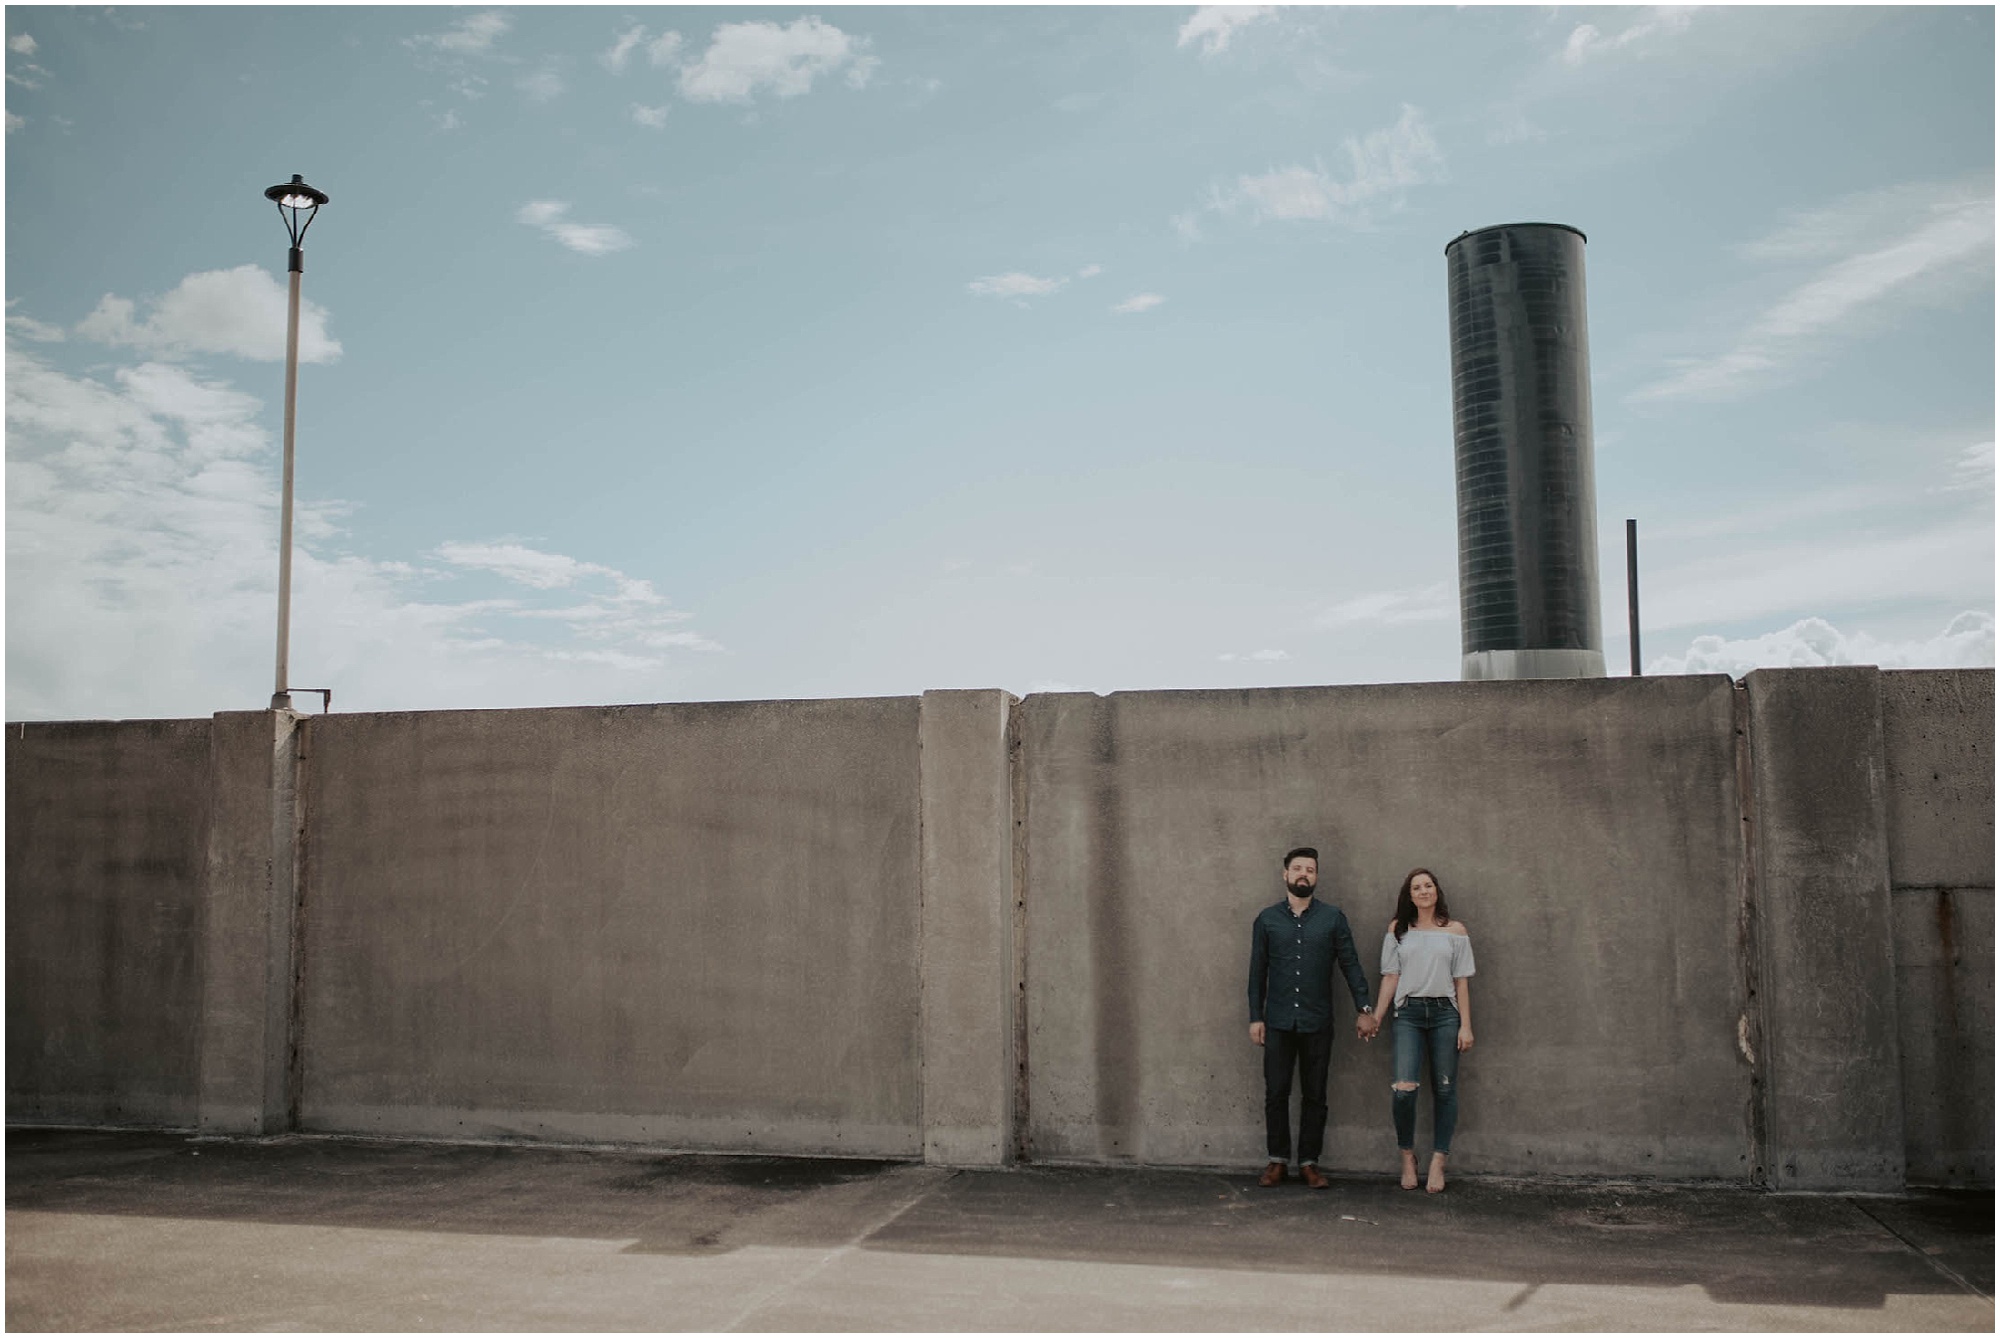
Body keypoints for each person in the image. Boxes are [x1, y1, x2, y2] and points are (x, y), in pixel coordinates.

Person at [1247, 845, 1377, 1189]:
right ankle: (1277, 1161)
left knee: (1315, 1094)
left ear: (1316, 876)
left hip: (1317, 1021)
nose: (1304, 873)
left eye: (1311, 869)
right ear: (1285, 874)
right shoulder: (1267, 920)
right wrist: (1254, 1017)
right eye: (1298, 868)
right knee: (1276, 1092)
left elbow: (1351, 964)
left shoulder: (1333, 918)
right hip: (1276, 1022)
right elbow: (1256, 973)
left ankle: (1309, 1163)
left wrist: (1365, 1009)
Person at [1367, 867, 1475, 1193]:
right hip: (1408, 1014)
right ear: (1409, 895)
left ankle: (1439, 1161)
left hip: (1445, 1014)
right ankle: (1407, 1156)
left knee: (1445, 1089)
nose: (1423, 891)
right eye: (1417, 887)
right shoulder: (1398, 930)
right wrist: (1377, 1017)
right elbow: (1390, 977)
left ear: (1436, 891)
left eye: (1428, 885)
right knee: (1403, 1090)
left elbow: (1462, 982)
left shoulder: (1455, 931)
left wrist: (1466, 1026)